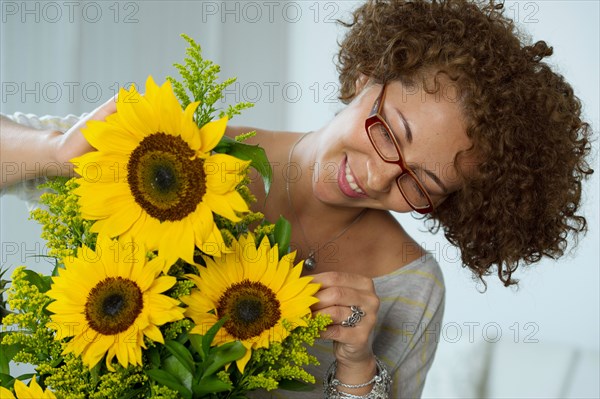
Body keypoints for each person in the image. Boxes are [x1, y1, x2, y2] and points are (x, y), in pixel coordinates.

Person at [0, 0, 593, 397]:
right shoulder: (178, 154)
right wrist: (56, 150)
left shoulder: (413, 289)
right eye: (390, 133)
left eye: (421, 185)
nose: (380, 176)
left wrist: (359, 364)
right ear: (370, 73)